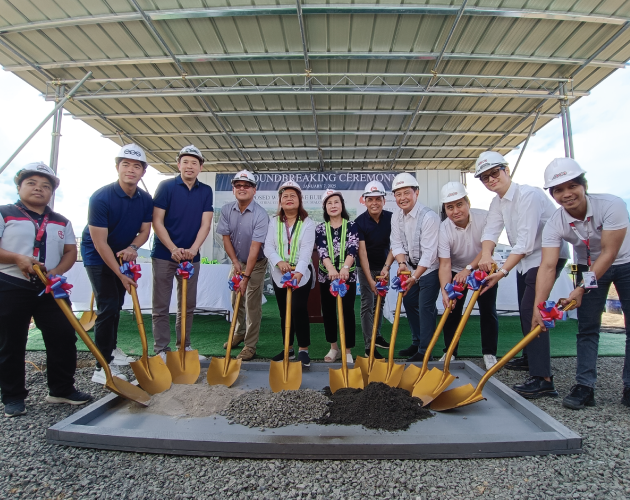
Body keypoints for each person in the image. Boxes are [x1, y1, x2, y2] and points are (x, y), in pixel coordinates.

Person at [533, 158, 630, 410]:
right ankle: (585, 386)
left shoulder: (612, 205)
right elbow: (548, 265)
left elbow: (609, 253)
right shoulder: (555, 222)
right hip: (586, 266)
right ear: (552, 194)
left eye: (572, 186)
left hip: (625, 262)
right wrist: (538, 306)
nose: (566, 194)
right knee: (587, 327)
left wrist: (580, 289)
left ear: (583, 185)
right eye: (558, 190)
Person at [0, 162, 92, 417]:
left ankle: (61, 389)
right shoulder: (5, 213)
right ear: (19, 187)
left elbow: (70, 251)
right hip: (11, 284)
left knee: (63, 335)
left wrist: (57, 271)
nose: (38, 189)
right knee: (11, 341)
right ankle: (13, 396)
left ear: (52, 192)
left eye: (45, 186)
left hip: (50, 287)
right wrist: (17, 258)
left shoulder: (61, 221)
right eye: (31, 183)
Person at [476, 151, 570, 399]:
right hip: (525, 260)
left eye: (494, 173)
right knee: (524, 307)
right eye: (484, 177)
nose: (491, 180)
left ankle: (543, 379)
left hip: (546, 256)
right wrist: (486, 254)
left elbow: (526, 242)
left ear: (506, 170)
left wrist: (502, 271)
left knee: (533, 309)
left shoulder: (529, 195)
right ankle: (530, 357)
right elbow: (491, 231)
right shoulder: (497, 202)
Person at [81, 144, 153, 384]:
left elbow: (145, 231)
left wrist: (133, 247)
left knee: (117, 304)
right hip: (97, 254)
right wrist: (121, 275)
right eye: (126, 165)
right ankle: (102, 366)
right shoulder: (101, 197)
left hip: (122, 254)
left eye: (136, 166)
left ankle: (111, 348)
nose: (131, 170)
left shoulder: (145, 199)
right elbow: (100, 243)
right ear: (117, 168)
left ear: (143, 172)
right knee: (108, 305)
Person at [151, 145, 213, 361]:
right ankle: (161, 349)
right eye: (185, 162)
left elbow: (206, 224)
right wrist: (173, 249)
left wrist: (194, 249)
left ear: (200, 167)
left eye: (194, 162)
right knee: (161, 305)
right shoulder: (166, 186)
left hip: (191, 257)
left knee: (187, 305)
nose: (189, 166)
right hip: (164, 254)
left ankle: (184, 347)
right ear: (178, 165)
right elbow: (157, 221)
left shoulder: (205, 191)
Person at [437, 181, 498, 370]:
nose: (456, 211)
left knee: (487, 310)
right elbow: (445, 264)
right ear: (445, 209)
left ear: (468, 203)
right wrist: (445, 291)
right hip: (457, 270)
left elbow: (487, 249)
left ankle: (489, 353)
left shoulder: (484, 217)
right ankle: (450, 351)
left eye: (459, 204)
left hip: (484, 267)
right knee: (452, 310)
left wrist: (469, 269)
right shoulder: (443, 228)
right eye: (450, 207)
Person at [216, 170, 269, 361]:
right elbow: (226, 238)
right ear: (233, 189)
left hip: (256, 263)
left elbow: (255, 248)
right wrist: (235, 262)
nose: (242, 188)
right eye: (238, 185)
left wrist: (246, 276)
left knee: (251, 303)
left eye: (247, 186)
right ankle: (239, 332)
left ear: (254, 190)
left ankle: (250, 345)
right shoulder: (226, 210)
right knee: (235, 299)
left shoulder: (260, 214)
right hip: (237, 261)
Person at [390, 172, 441, 363]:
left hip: (429, 269)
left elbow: (429, 254)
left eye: (406, 193)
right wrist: (402, 264)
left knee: (425, 306)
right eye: (398, 194)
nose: (402, 198)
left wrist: (415, 277)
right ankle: (417, 341)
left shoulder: (429, 217)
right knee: (409, 301)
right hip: (410, 268)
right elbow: (396, 243)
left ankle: (426, 350)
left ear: (416, 193)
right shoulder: (396, 216)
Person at [264, 181, 316, 367]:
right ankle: (288, 347)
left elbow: (306, 250)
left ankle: (303, 349)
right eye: (285, 196)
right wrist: (279, 262)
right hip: (280, 273)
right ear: (280, 201)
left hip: (301, 273)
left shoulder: (307, 223)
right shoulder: (274, 222)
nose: (289, 199)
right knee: (284, 311)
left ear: (299, 200)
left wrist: (299, 272)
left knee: (298, 308)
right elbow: (268, 246)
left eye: (293, 196)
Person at [316, 189, 360, 364]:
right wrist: (331, 269)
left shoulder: (352, 226)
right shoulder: (320, 228)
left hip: (347, 276)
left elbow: (353, 248)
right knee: (328, 311)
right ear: (325, 207)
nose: (333, 206)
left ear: (342, 205)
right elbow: (322, 250)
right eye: (329, 203)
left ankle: (347, 349)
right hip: (326, 276)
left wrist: (345, 268)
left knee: (347, 311)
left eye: (336, 202)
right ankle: (334, 347)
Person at [355, 180, 394, 359]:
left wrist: (386, 267)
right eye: (370, 199)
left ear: (384, 200)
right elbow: (362, 253)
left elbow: (396, 245)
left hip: (384, 267)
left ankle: (377, 336)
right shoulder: (359, 222)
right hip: (366, 268)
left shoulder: (392, 218)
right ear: (364, 201)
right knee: (367, 304)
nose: (374, 203)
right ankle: (368, 346)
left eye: (378, 199)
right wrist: (370, 279)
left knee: (380, 302)